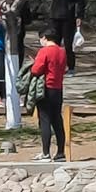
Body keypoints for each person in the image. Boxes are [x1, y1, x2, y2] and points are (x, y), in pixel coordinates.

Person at [31, 23, 72, 159]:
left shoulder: (44, 51)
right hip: (58, 88)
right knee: (57, 119)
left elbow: (36, 70)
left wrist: (34, 63)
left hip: (45, 88)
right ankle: (60, 152)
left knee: (44, 120)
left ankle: (45, 153)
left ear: (45, 37)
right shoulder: (62, 51)